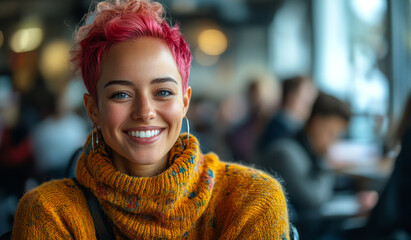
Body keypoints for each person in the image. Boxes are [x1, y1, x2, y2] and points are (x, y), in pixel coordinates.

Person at [10, 0, 290, 239]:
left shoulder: (251, 199)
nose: (145, 111)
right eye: (120, 94)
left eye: (164, 92)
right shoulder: (50, 212)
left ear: (184, 101)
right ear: (93, 109)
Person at [261, 92, 350, 239]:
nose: (334, 142)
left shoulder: (306, 151)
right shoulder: (286, 153)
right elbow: (315, 201)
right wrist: (326, 161)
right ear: (316, 123)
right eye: (331, 133)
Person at [259, 76, 318, 152]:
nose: (309, 104)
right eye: (305, 98)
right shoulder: (282, 131)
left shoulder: (276, 122)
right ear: (291, 97)